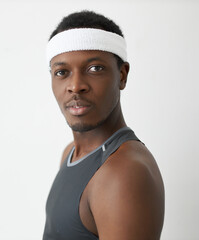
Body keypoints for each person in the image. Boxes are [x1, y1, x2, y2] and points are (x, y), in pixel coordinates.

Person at [43, 10, 164, 240]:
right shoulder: (70, 153)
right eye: (62, 72)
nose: (76, 85)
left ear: (122, 75)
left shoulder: (123, 172)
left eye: (95, 68)